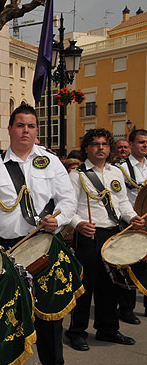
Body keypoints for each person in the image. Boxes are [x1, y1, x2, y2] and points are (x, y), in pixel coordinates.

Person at [0, 103, 77, 365]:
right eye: (20, 125)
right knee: (7, 312)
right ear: (9, 130)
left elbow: (67, 200)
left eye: (31, 126)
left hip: (41, 243)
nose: (26, 131)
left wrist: (56, 220)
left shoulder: (51, 162)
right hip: (4, 248)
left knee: (49, 312)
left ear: (36, 131)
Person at [65, 128, 144, 350]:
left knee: (111, 284)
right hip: (89, 234)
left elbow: (122, 203)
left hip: (113, 232)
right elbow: (68, 208)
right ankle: (77, 331)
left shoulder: (116, 172)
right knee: (85, 285)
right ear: (87, 148)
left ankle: (107, 329)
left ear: (110, 148)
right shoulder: (77, 175)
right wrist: (79, 224)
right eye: (95, 144)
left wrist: (133, 217)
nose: (100, 148)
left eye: (104, 144)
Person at [116, 129, 147, 321]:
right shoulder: (121, 169)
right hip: (131, 221)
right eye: (141, 142)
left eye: (146, 142)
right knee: (131, 264)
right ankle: (126, 309)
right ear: (132, 144)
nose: (145, 145)